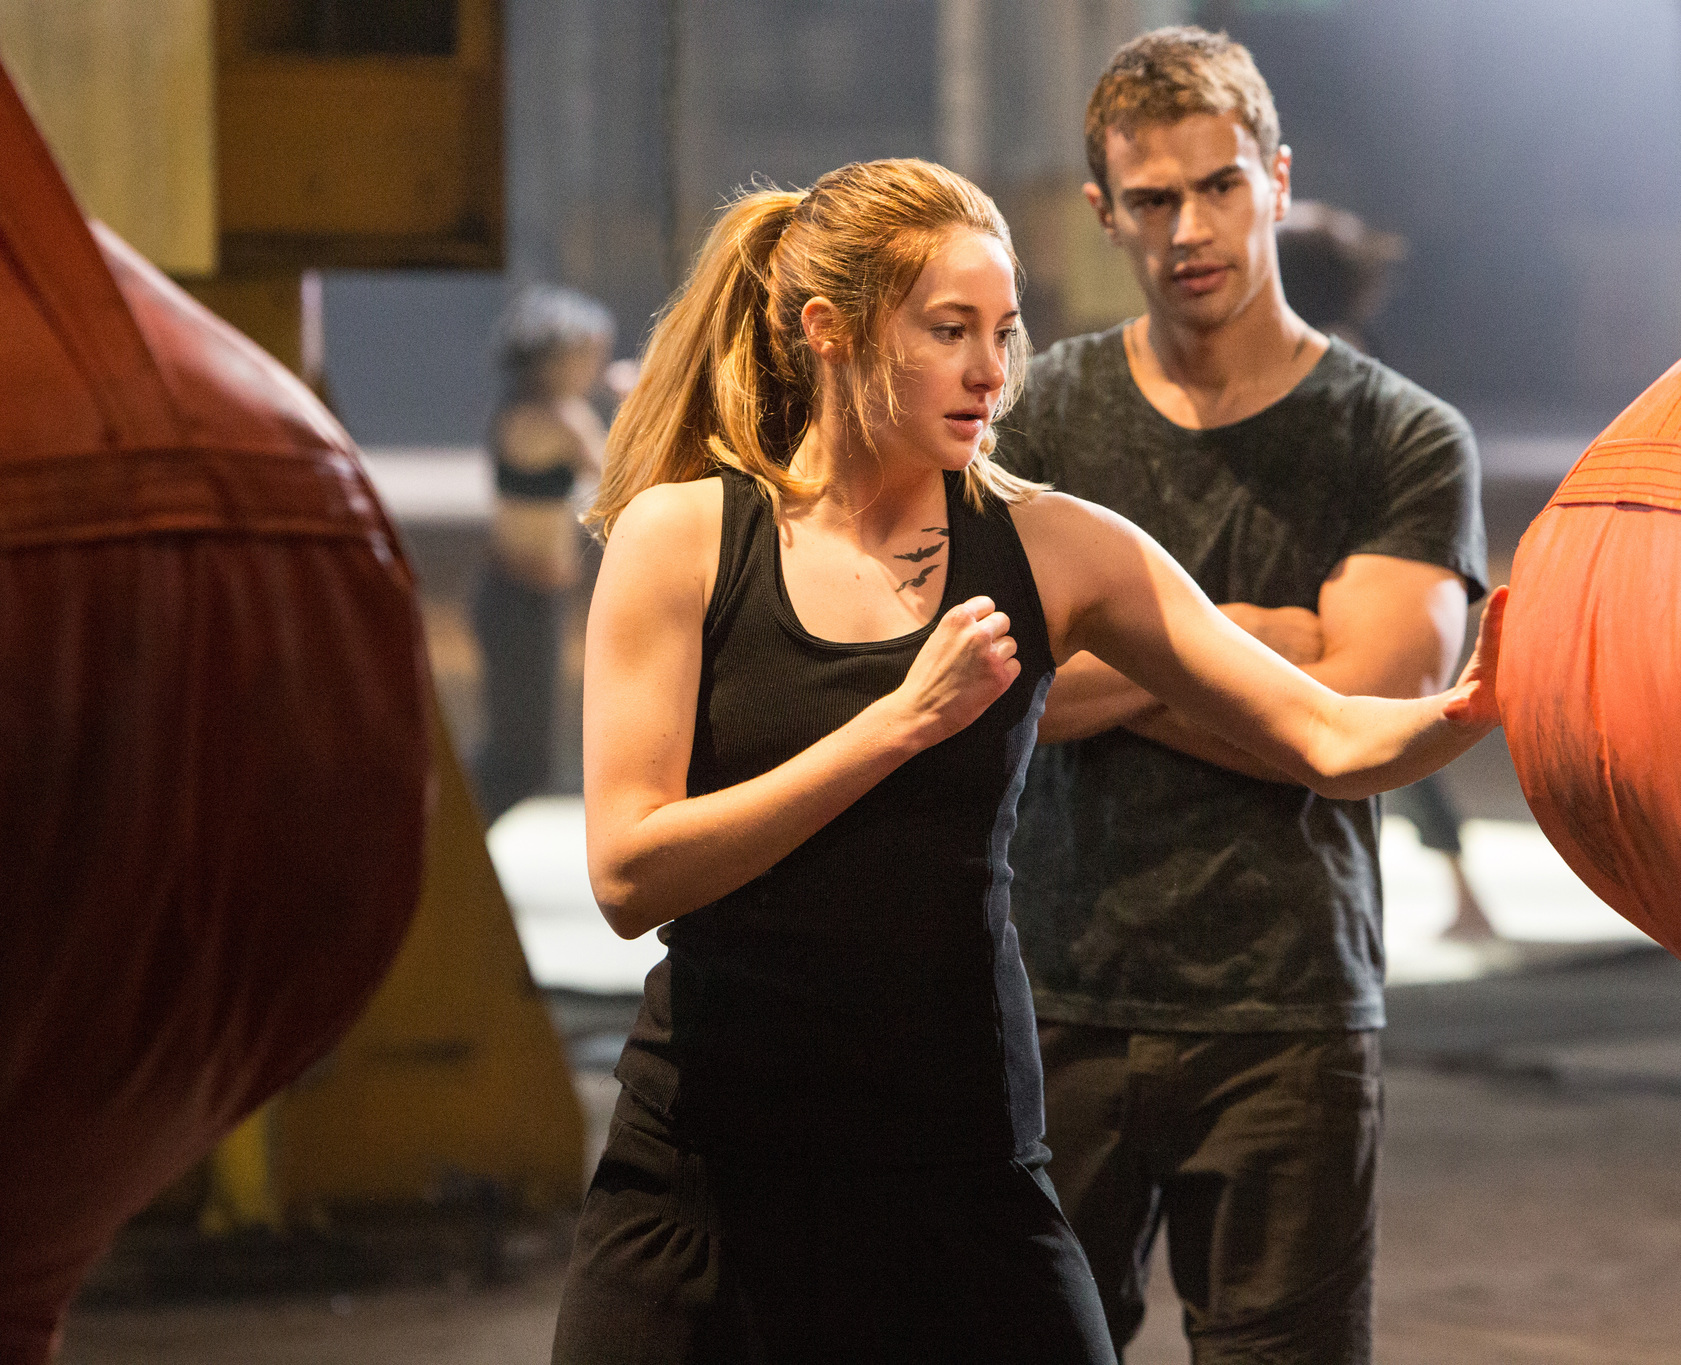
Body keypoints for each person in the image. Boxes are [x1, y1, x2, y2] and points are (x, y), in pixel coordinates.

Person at [550, 156, 1503, 1365]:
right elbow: (631, 875)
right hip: (709, 1163)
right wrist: (898, 723)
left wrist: (1466, 711)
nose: (992, 370)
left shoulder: (1055, 545)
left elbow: (1323, 732)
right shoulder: (683, 537)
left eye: (1005, 331)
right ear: (827, 332)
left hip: (956, 1159)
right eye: (948, 331)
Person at [994, 29, 1489, 1364]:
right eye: (1151, 201)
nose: (1189, 228)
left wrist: (1115, 639)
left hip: (1290, 1014)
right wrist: (1269, 649)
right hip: (1055, 995)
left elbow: (1369, 721)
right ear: (1106, 214)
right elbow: (1001, 693)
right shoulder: (1039, 420)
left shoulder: (1401, 436)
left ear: (1277, 179)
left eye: (1218, 187)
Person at [1277, 199, 1499, 942]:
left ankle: (1458, 895)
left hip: (1352, 567)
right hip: (1360, 560)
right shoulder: (1341, 343)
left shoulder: (1324, 356)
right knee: (1373, 739)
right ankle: (1457, 893)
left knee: (1380, 732)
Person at [469, 285, 614, 824]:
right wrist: (639, 401)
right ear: (553, 356)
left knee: (518, 759)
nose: (593, 366)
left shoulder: (528, 409)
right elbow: (619, 481)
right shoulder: (553, 418)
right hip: (518, 601)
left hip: (521, 599)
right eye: (586, 355)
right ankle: (448, 852)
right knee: (517, 763)